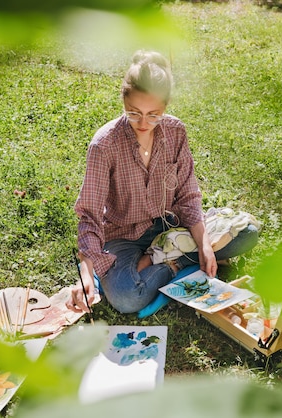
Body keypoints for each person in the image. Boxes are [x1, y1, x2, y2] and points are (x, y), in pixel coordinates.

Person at [67, 50, 258, 315]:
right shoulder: (104, 144)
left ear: (166, 106)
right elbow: (89, 215)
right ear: (123, 101)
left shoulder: (176, 132)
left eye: (153, 114)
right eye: (133, 113)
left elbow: (188, 196)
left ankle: (161, 260)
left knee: (247, 232)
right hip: (123, 235)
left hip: (169, 224)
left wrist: (203, 244)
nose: (143, 123)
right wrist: (86, 276)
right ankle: (175, 263)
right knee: (126, 299)